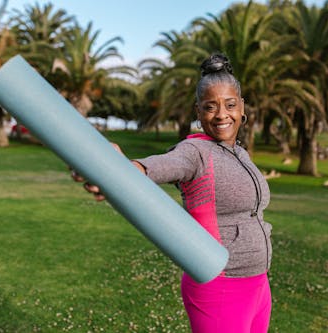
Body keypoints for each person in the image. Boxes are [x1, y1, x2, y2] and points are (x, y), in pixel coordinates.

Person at [72, 53, 272, 333]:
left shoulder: (240, 153)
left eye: (229, 105)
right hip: (220, 286)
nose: (222, 115)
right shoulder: (194, 153)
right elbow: (158, 166)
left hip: (259, 284)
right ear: (199, 112)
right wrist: (116, 169)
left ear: (241, 107)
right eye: (210, 107)